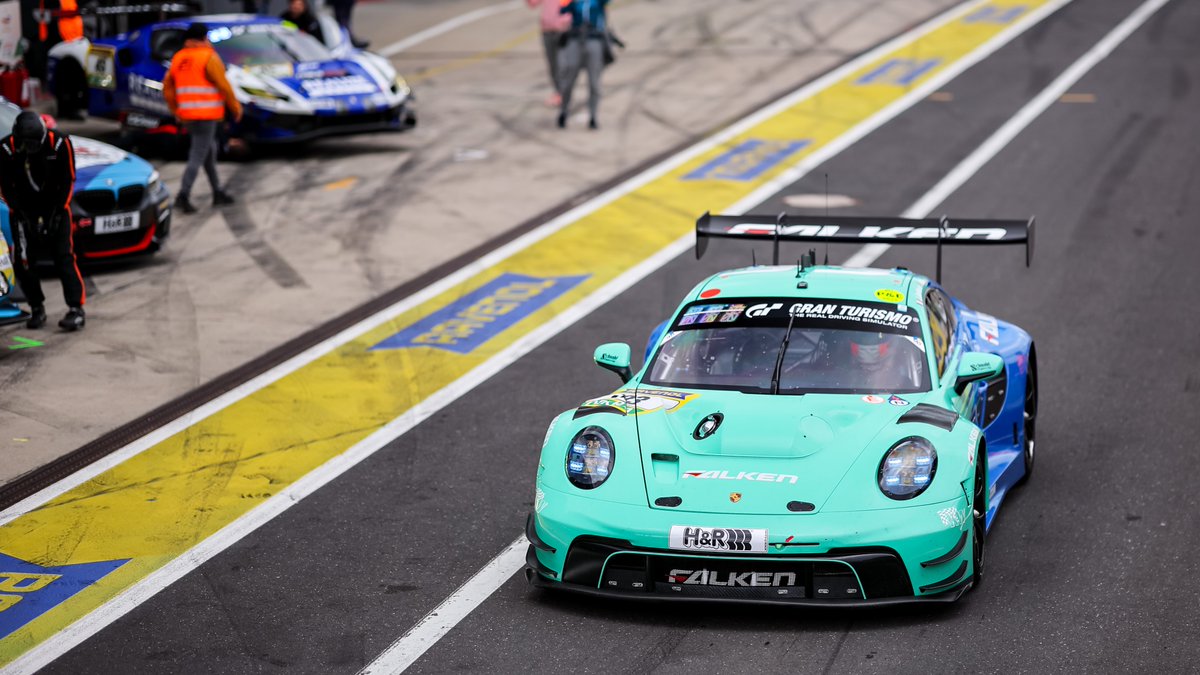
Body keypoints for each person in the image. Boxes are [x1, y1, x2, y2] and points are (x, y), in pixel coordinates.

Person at [0, 111, 86, 330]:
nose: (30, 150)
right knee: (24, 260)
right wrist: (19, 212)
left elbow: (69, 179)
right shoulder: (5, 149)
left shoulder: (59, 143)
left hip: (56, 207)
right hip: (22, 210)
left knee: (64, 257)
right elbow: (4, 185)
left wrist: (57, 212)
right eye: (26, 146)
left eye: (34, 146)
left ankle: (76, 309)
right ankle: (36, 306)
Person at [163, 22, 242, 214]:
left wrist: (176, 110)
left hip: (188, 116)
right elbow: (224, 86)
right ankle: (183, 195)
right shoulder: (209, 57)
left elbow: (168, 87)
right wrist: (235, 107)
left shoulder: (179, 58)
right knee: (198, 155)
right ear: (204, 38)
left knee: (209, 153)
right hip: (206, 116)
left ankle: (217, 192)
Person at [556, 0, 610, 130]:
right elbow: (562, 10)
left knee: (594, 81)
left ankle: (593, 116)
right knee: (569, 78)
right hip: (575, 39)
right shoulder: (575, 2)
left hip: (594, 39)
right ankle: (563, 111)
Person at [527, 0, 571, 107]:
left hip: (564, 29)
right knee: (553, 65)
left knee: (563, 64)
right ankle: (559, 92)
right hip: (547, 29)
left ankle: (565, 93)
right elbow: (532, 3)